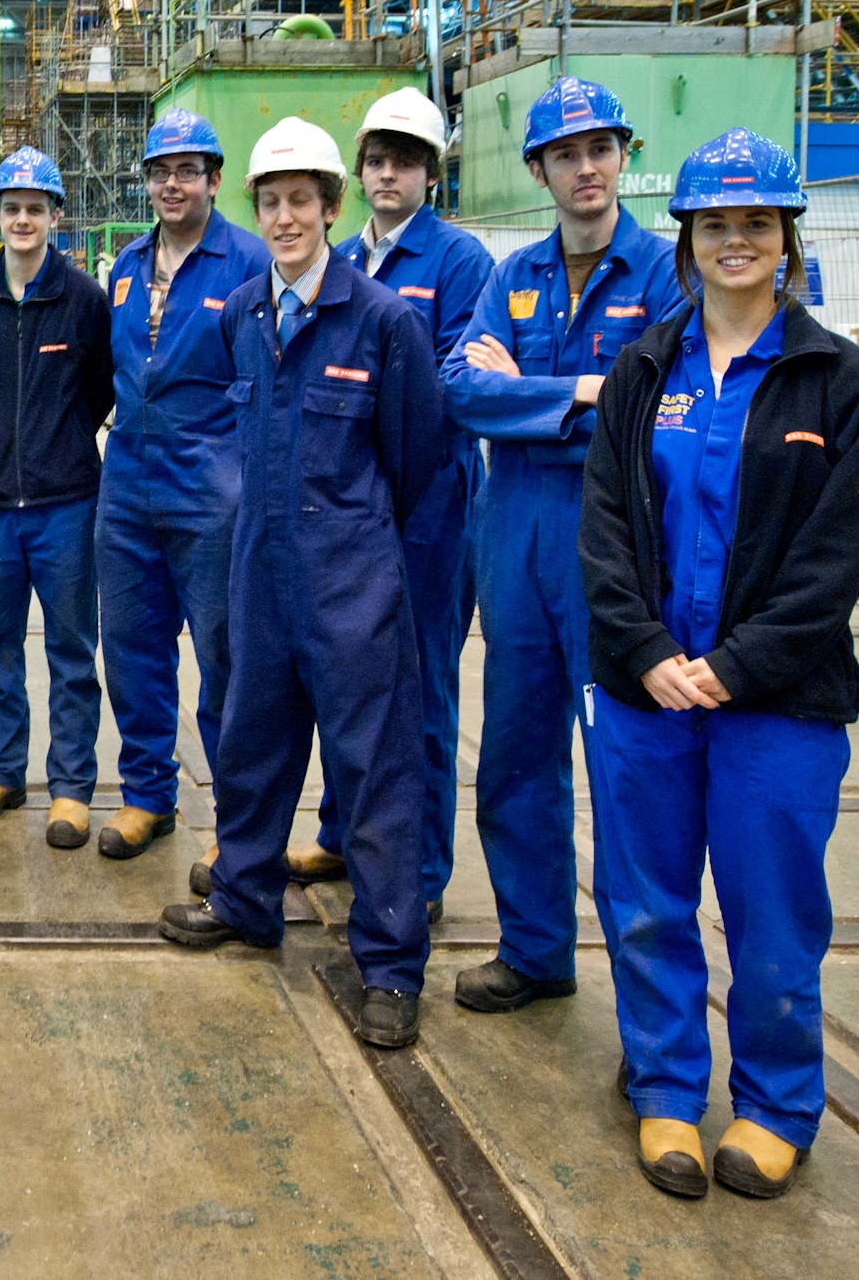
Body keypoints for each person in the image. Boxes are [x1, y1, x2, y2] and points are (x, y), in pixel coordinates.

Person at [581, 129, 859, 1201]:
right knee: (647, 899)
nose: (736, 241)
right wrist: (647, 653)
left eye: (757, 222)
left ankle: (772, 1107)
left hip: (777, 705)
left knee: (769, 910)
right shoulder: (641, 369)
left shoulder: (835, 381)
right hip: (644, 696)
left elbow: (835, 557)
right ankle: (664, 1087)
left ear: (785, 238)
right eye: (716, 223)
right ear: (688, 240)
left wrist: (736, 667)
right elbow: (605, 529)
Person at [157, 118, 443, 1050]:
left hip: (354, 580)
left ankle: (391, 966)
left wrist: (379, 572)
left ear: (333, 208)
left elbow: (417, 466)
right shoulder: (242, 314)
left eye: (302, 201)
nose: (285, 217)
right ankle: (245, 899)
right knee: (251, 743)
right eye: (270, 202)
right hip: (260, 569)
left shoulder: (385, 321)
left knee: (376, 773)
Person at [441, 77, 686, 1014]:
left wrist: (545, 396)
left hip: (614, 537)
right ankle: (536, 949)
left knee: (626, 774)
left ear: (622, 156)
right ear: (539, 168)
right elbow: (463, 392)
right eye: (566, 154)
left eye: (600, 150)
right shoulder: (514, 275)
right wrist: (586, 394)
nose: (586, 168)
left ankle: (651, 1018)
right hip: (512, 537)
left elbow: (659, 407)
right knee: (513, 753)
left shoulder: (665, 273)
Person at [287, 89, 495, 915]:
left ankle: (421, 874)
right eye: (376, 159)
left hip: (429, 510)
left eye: (404, 161)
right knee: (349, 681)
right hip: (350, 506)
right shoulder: (342, 259)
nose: (387, 173)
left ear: (430, 174)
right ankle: (344, 836)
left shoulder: (458, 261)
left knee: (422, 694)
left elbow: (456, 382)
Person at [97, 110, 268, 862]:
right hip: (127, 482)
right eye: (161, 171)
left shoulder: (249, 262)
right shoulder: (127, 265)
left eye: (188, 170)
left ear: (214, 180)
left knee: (225, 659)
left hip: (211, 489)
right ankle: (146, 797)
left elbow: (264, 379)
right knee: (133, 649)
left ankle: (238, 823)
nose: (173, 183)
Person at [0, 146, 113, 848]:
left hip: (66, 503)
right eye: (11, 208)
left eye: (34, 208)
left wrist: (60, 444)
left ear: (55, 217)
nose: (23, 219)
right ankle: (1, 771)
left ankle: (72, 787)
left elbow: (102, 390)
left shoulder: (84, 300)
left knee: (73, 651)